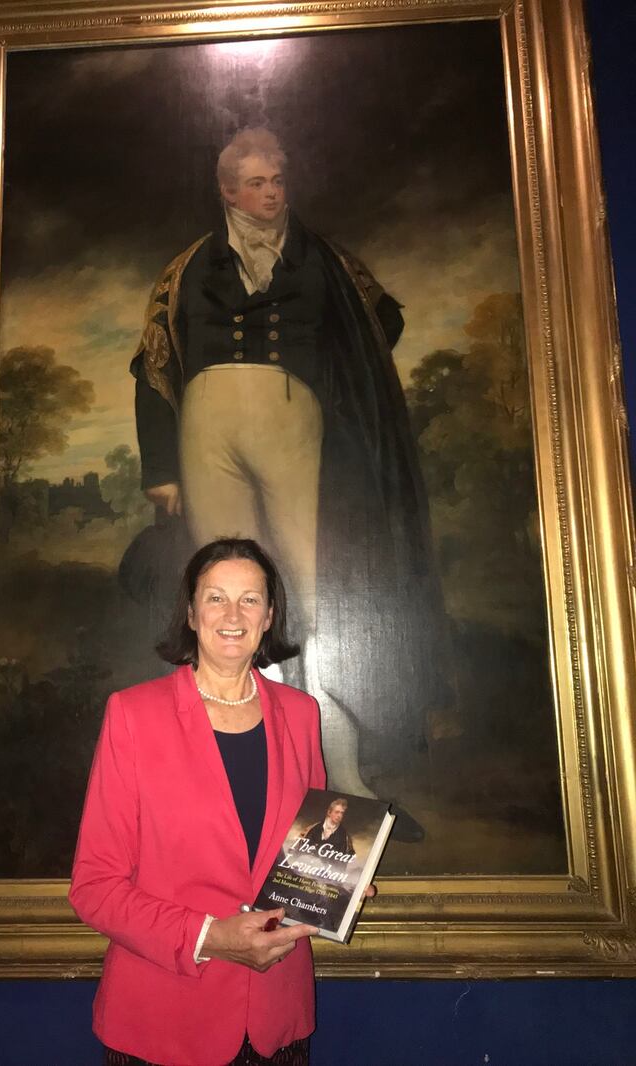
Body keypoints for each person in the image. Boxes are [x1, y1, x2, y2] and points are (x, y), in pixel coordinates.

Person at [130, 127, 449, 802]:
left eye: (277, 181)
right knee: (229, 599)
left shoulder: (326, 259)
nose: (270, 195)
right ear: (225, 190)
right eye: (255, 183)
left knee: (311, 592)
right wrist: (161, 469)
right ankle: (256, 776)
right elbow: (152, 366)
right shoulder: (185, 267)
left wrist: (326, 381)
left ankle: (343, 776)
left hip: (295, 426)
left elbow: (378, 327)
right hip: (207, 433)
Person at [70, 537, 375, 1065]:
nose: (233, 614)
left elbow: (310, 847)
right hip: (163, 1022)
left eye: (250, 599)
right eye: (215, 598)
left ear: (269, 615)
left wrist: (337, 884)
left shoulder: (301, 714)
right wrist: (210, 937)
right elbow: (94, 888)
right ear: (190, 613)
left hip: (277, 1021)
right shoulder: (133, 715)